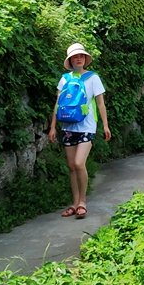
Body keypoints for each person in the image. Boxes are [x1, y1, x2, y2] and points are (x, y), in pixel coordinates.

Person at [47, 42, 111, 220]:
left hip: (87, 126)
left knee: (78, 163)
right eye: (75, 56)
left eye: (81, 56)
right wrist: (53, 127)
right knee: (71, 166)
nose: (79, 59)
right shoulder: (65, 79)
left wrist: (105, 125)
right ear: (70, 60)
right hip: (68, 126)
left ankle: (83, 202)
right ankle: (75, 203)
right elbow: (58, 104)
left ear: (85, 59)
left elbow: (100, 103)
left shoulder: (93, 78)